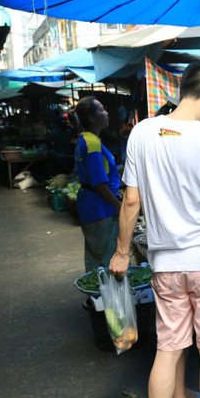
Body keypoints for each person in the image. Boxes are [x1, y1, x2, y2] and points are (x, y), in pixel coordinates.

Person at [110, 61, 200, 398]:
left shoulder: (142, 132)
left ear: (183, 88)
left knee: (168, 350)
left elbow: (130, 202)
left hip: (166, 264)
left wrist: (122, 252)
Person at [73, 96, 121, 272]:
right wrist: (117, 205)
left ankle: (94, 297)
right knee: (108, 259)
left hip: (89, 206)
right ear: (92, 118)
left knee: (95, 257)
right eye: (101, 109)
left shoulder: (84, 140)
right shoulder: (92, 143)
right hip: (100, 207)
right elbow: (99, 182)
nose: (106, 113)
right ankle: (107, 297)